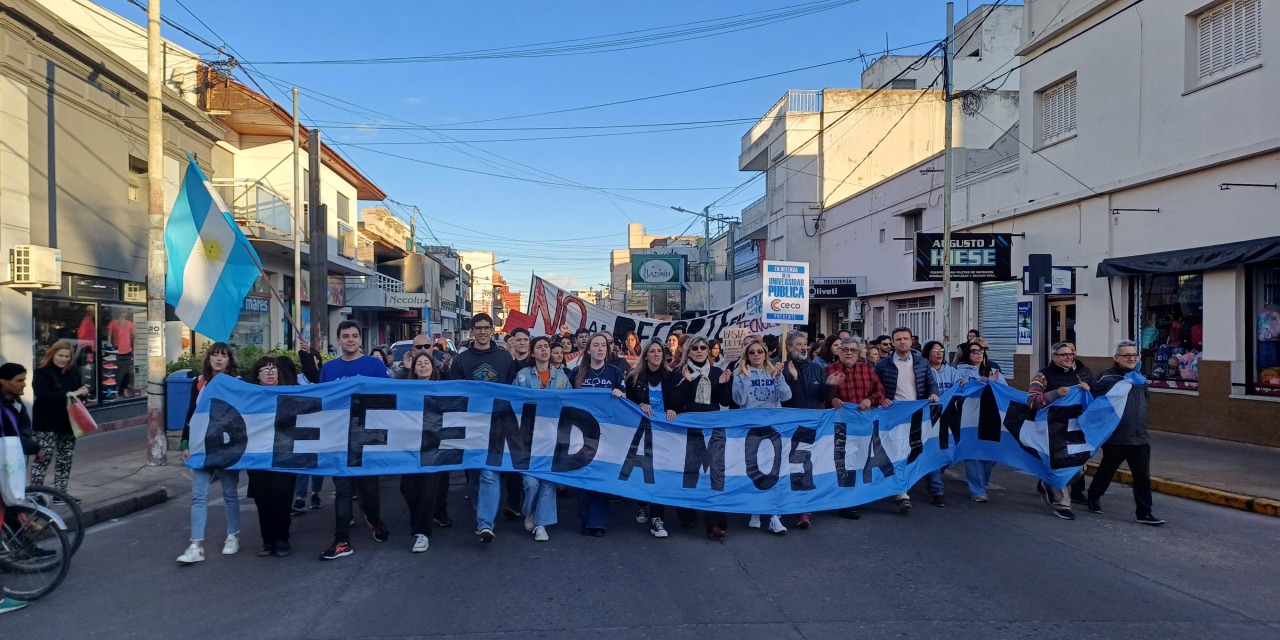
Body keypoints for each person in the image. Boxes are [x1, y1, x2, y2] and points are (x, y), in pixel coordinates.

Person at [316, 321, 392, 560]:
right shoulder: (329, 369)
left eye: (355, 336)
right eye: (346, 336)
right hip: (339, 438)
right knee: (342, 491)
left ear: (361, 340)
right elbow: (321, 401)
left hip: (368, 439)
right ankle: (341, 540)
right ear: (338, 340)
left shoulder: (374, 365)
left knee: (369, 491)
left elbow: (389, 399)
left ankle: (375, 519)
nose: (350, 340)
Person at [450, 313, 519, 543]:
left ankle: (485, 523)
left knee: (490, 472)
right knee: (474, 474)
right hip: (471, 426)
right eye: (477, 328)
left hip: (498, 424)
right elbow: (455, 394)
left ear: (492, 330)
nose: (482, 331)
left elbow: (513, 392)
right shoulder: (461, 361)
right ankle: (483, 513)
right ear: (472, 331)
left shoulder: (504, 358)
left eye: (486, 327)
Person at [177, 343, 242, 564]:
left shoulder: (238, 383)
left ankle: (233, 536)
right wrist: (184, 443)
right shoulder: (199, 382)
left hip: (227, 445)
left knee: (230, 493)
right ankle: (196, 545)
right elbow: (191, 413)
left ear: (229, 360)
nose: (218, 359)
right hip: (201, 444)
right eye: (215, 355)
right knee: (198, 495)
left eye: (223, 356)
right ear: (209, 359)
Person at [1087, 341, 1164, 525]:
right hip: (1116, 438)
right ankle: (1094, 495)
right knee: (1107, 470)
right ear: (1116, 358)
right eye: (1126, 355)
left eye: (1134, 355)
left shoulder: (1139, 379)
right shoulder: (1105, 379)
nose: (1131, 358)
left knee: (1142, 476)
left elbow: (1145, 403)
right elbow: (1094, 406)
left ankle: (1144, 512)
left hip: (1139, 438)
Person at [669, 336, 734, 539]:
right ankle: (687, 513)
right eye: (695, 348)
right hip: (689, 428)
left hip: (713, 428)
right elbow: (675, 404)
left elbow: (725, 401)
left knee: (715, 473)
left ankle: (715, 522)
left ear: (708, 351)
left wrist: (723, 384)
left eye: (703, 347)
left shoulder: (715, 372)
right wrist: (687, 383)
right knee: (690, 471)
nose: (699, 351)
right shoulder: (680, 372)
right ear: (688, 351)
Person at [874, 327, 939, 514]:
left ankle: (907, 482)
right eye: (898, 339)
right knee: (897, 451)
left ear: (912, 341)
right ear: (893, 343)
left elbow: (931, 383)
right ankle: (901, 492)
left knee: (916, 449)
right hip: (894, 416)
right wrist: (880, 399)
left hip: (917, 415)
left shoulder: (922, 362)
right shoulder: (883, 365)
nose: (902, 342)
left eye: (905, 339)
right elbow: (876, 388)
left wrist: (934, 394)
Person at [731, 338, 791, 535]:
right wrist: (747, 378)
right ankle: (755, 510)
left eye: (759, 351)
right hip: (751, 430)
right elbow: (739, 400)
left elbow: (786, 396)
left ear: (766, 354)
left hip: (773, 429)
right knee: (754, 471)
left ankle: (774, 516)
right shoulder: (739, 374)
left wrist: (779, 378)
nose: (756, 355)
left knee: (774, 470)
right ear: (747, 356)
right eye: (752, 352)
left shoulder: (774, 372)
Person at [511, 336, 569, 542]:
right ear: (532, 353)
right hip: (528, 438)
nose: (544, 350)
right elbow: (513, 403)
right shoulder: (522, 377)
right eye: (539, 347)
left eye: (547, 346)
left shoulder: (562, 378)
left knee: (547, 482)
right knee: (531, 483)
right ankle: (530, 511)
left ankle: (541, 525)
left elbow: (571, 405)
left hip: (552, 439)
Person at [823, 337, 886, 519]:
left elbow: (880, 392)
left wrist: (870, 400)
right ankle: (846, 502)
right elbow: (819, 395)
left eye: (853, 350)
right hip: (838, 426)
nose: (849, 353)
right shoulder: (829, 370)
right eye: (845, 349)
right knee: (843, 463)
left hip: (862, 427)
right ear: (839, 351)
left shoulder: (867, 370)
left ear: (859, 353)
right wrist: (831, 398)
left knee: (860, 461)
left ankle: (856, 497)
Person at [1028, 341, 1091, 520]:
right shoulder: (1042, 376)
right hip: (1051, 430)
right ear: (1054, 357)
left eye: (1071, 354)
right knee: (1059, 464)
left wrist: (1086, 390)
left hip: (1074, 429)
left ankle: (1048, 481)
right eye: (1064, 354)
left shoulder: (1076, 376)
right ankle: (1062, 505)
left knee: (1079, 467)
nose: (1069, 357)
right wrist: (1055, 394)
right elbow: (1032, 401)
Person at [572, 332, 626, 536]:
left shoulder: (614, 373)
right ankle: (585, 519)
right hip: (582, 433)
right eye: (595, 345)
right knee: (584, 475)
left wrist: (620, 396)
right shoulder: (577, 373)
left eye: (603, 345)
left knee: (601, 475)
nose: (600, 349)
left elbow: (624, 403)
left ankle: (598, 522)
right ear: (588, 350)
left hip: (608, 433)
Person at [624, 339, 678, 538]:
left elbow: (677, 401)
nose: (656, 355)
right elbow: (628, 402)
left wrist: (673, 408)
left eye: (659, 352)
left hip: (664, 433)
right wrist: (640, 403)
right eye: (652, 352)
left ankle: (657, 518)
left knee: (660, 474)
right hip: (641, 431)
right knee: (643, 470)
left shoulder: (671, 376)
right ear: (645, 355)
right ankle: (641, 504)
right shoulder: (634, 377)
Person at [246, 357, 299, 557]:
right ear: (257, 375)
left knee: (282, 496)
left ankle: (282, 539)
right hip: (258, 456)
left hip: (284, 454)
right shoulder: (249, 397)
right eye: (265, 369)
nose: (270, 373)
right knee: (263, 498)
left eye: (274, 369)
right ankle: (267, 541)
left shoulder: (291, 393)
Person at [0, 362, 41, 614]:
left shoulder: (13, 404)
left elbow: (21, 430)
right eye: (18, 380)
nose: (24, 385)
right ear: (3, 381)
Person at [401, 351, 449, 553]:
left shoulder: (444, 388)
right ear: (413, 369)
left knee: (429, 489)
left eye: (426, 362)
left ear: (432, 367)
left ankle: (422, 533)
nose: (422, 365)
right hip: (410, 447)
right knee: (408, 489)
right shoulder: (405, 389)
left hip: (435, 448)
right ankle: (419, 521)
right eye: (418, 363)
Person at [30, 340, 89, 494]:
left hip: (68, 421)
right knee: (44, 457)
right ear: (52, 353)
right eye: (60, 355)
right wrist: (70, 394)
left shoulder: (73, 371)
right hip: (46, 422)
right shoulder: (42, 372)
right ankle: (36, 493)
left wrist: (82, 393)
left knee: (65, 459)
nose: (63, 359)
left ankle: (61, 494)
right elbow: (43, 396)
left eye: (67, 357)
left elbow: (77, 391)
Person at [780, 331, 825, 529]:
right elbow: (785, 399)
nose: (803, 347)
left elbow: (822, 396)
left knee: (808, 466)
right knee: (789, 466)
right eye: (798, 344)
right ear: (789, 348)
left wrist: (832, 387)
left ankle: (804, 509)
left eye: (805, 343)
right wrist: (794, 379)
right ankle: (785, 505)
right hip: (789, 426)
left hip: (813, 426)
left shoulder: (817, 369)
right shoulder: (781, 369)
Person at [955, 338, 1005, 502]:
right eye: (974, 351)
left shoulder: (993, 370)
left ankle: (982, 480)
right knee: (972, 453)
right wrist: (968, 384)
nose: (978, 354)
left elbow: (1004, 389)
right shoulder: (960, 371)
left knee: (990, 454)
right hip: (969, 418)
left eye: (981, 351)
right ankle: (978, 490)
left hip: (990, 415)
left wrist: (992, 383)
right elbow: (959, 389)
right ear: (967, 354)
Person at [922, 341, 965, 507]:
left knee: (951, 451)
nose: (939, 353)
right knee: (933, 451)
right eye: (935, 351)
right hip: (930, 417)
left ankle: (933, 473)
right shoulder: (923, 371)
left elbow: (963, 390)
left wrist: (962, 383)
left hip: (950, 416)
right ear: (928, 353)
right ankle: (937, 490)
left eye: (941, 350)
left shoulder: (952, 372)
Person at [106, 309, 135, 397]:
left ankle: (125, 390)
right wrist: (109, 345)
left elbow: (133, 336)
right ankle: (117, 390)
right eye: (122, 312)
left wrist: (133, 348)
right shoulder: (113, 323)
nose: (123, 314)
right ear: (118, 313)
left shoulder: (130, 324)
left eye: (125, 312)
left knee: (126, 371)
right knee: (117, 371)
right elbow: (109, 336)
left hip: (127, 350)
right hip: (116, 349)